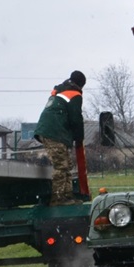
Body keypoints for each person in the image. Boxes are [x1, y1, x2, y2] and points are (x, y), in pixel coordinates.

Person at [35, 70, 86, 205]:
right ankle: (57, 199)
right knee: (61, 166)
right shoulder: (74, 94)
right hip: (54, 133)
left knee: (67, 165)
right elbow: (76, 119)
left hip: (50, 131)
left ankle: (67, 197)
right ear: (81, 85)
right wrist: (79, 138)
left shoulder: (60, 91)